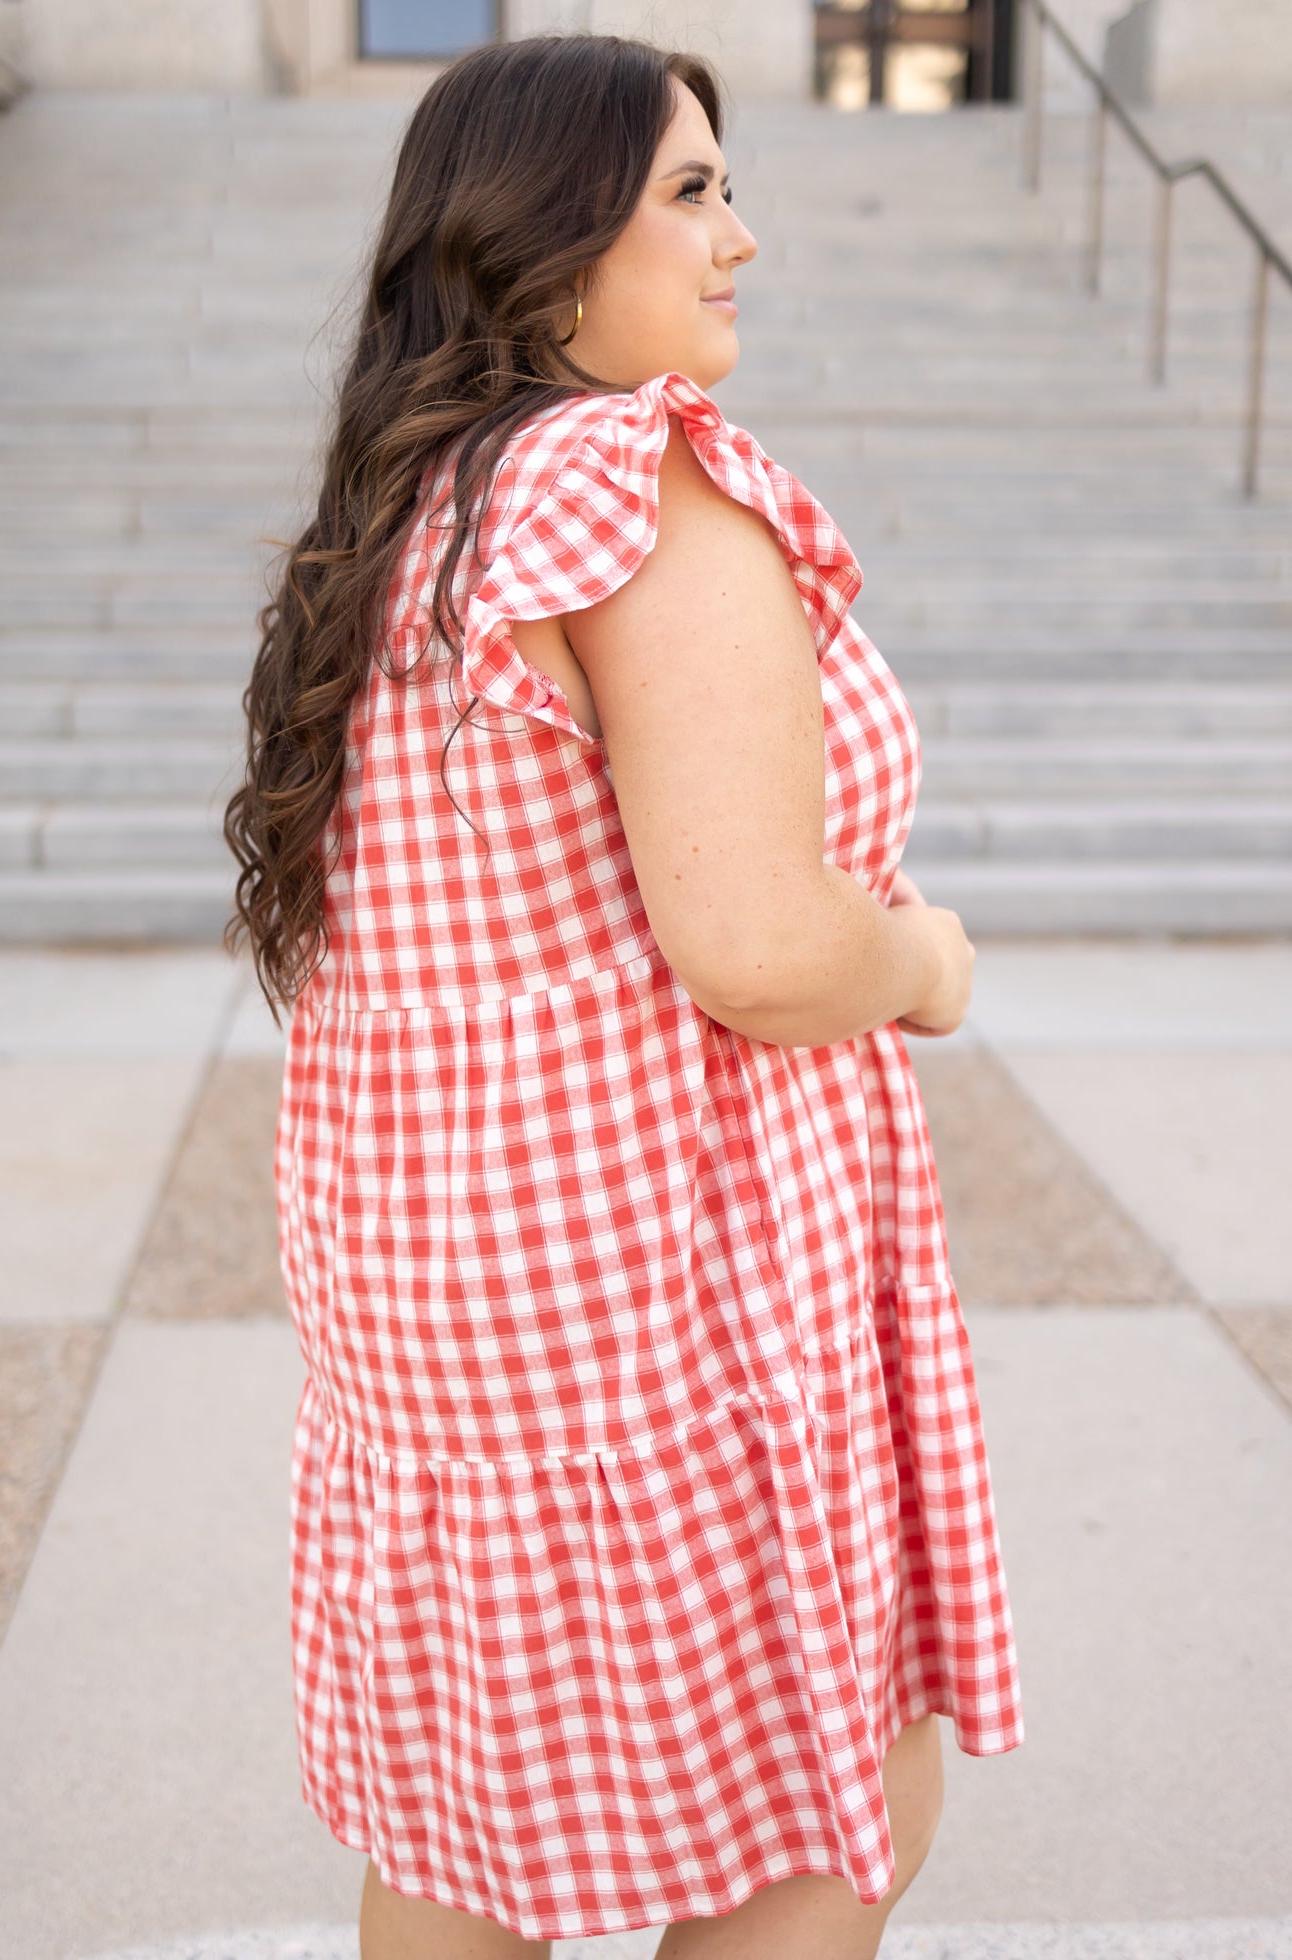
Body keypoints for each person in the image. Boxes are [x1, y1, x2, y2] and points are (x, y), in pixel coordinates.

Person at [223, 30, 1024, 1960]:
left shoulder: (418, 506)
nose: (740, 236)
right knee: (823, 1820)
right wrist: (921, 960)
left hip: (456, 1302)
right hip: (674, 1289)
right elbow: (753, 942)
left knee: (468, 1830)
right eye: (688, 190)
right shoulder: (629, 480)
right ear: (539, 236)